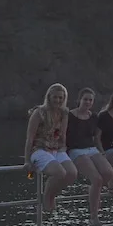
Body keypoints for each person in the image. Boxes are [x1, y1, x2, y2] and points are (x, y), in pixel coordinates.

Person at [66, 87, 113, 226]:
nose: (87, 102)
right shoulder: (69, 116)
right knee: (97, 179)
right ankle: (94, 217)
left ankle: (94, 191)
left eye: (90, 100)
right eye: (85, 99)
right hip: (75, 150)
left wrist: (103, 151)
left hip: (91, 148)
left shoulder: (94, 117)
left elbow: (98, 136)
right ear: (79, 100)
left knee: (108, 173)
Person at [23, 83, 78, 211]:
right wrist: (26, 160)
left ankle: (52, 195)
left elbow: (63, 134)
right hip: (39, 149)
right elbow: (30, 138)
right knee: (60, 173)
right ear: (49, 97)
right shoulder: (39, 112)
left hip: (56, 148)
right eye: (55, 97)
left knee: (72, 173)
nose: (58, 100)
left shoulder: (64, 113)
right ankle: (47, 197)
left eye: (61, 98)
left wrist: (64, 148)